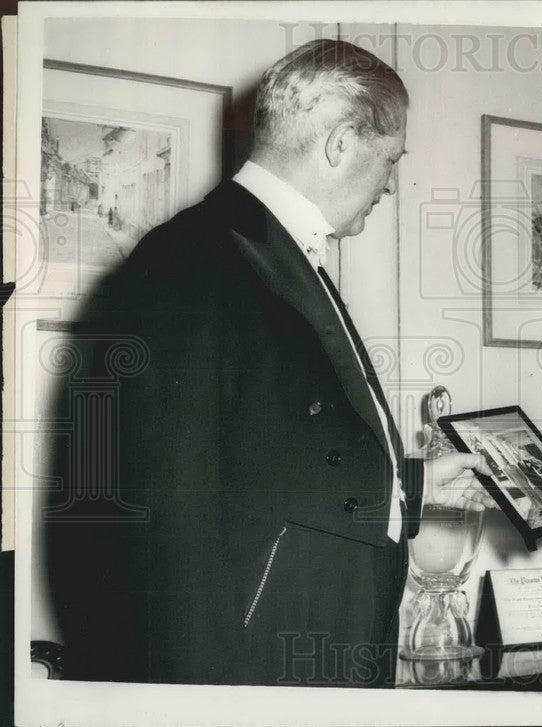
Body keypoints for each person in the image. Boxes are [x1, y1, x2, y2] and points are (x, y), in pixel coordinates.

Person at [43, 39, 491, 688]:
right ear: (341, 144)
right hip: (254, 676)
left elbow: (272, 460)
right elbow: (159, 525)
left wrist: (410, 479)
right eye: (390, 160)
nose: (391, 184)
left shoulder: (262, 253)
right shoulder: (192, 261)